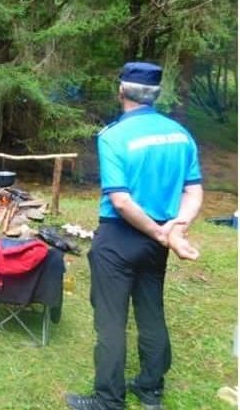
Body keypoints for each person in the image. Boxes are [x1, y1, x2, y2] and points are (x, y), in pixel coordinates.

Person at [65, 62, 203, 410]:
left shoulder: (113, 136)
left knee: (110, 320)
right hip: (157, 242)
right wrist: (176, 228)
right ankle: (150, 390)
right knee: (151, 311)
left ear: (121, 92)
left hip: (120, 237)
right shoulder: (179, 134)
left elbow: (122, 201)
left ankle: (108, 400)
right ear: (156, 95)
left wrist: (163, 232)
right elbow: (194, 190)